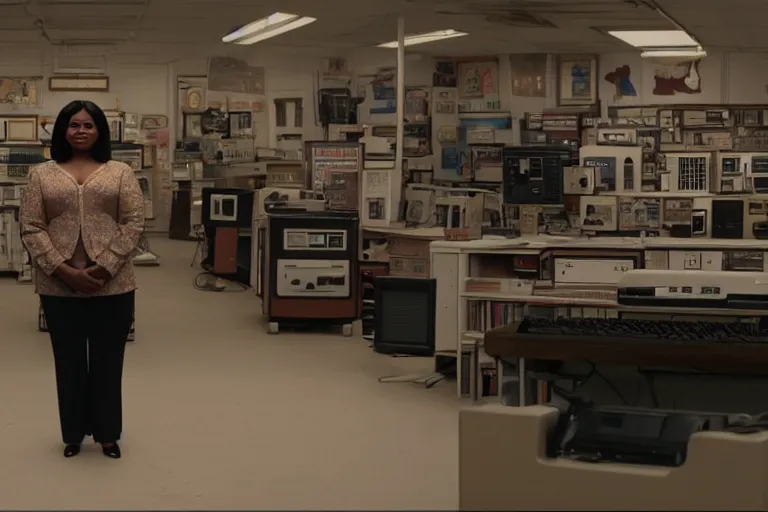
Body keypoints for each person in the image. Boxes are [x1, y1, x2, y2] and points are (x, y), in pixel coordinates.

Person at [19, 100, 144, 459]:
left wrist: (104, 267)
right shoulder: (42, 174)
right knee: (69, 361)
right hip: (58, 285)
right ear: (62, 130)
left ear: (100, 130)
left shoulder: (120, 172)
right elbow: (31, 226)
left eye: (89, 125)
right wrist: (64, 271)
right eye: (74, 125)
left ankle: (107, 434)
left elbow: (133, 223)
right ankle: (72, 433)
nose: (81, 131)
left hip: (114, 284)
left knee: (108, 361)